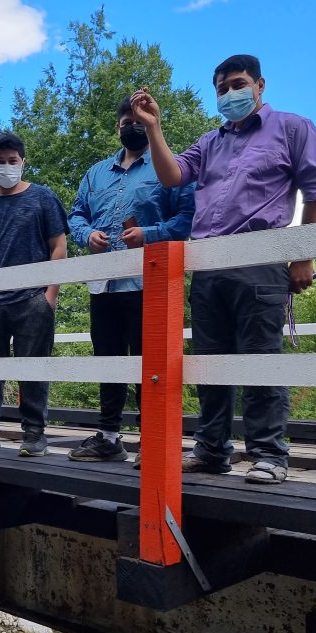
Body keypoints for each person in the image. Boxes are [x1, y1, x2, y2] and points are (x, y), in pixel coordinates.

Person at [131, 54, 316, 484]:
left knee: (261, 361)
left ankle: (269, 455)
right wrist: (153, 127)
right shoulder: (210, 142)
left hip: (260, 259)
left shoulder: (294, 128)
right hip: (206, 264)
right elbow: (172, 176)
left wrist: (305, 255)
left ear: (260, 85)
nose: (229, 94)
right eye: (221, 88)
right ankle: (211, 450)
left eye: (238, 85)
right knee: (209, 364)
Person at [66, 98, 196, 462]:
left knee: (150, 363)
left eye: (138, 120)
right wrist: (86, 234)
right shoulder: (95, 174)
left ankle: (152, 439)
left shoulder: (170, 167)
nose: (132, 126)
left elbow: (186, 221)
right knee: (107, 361)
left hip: (150, 284)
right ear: (118, 126)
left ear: (151, 120)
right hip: (103, 282)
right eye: (126, 120)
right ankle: (108, 437)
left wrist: (150, 233)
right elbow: (75, 216)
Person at [0, 132, 68, 457]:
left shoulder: (43, 198)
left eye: (12, 161)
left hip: (32, 299)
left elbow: (58, 247)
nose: (6, 166)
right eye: (0, 161)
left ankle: (34, 433)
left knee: (33, 367)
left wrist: (49, 296)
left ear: (22, 162)